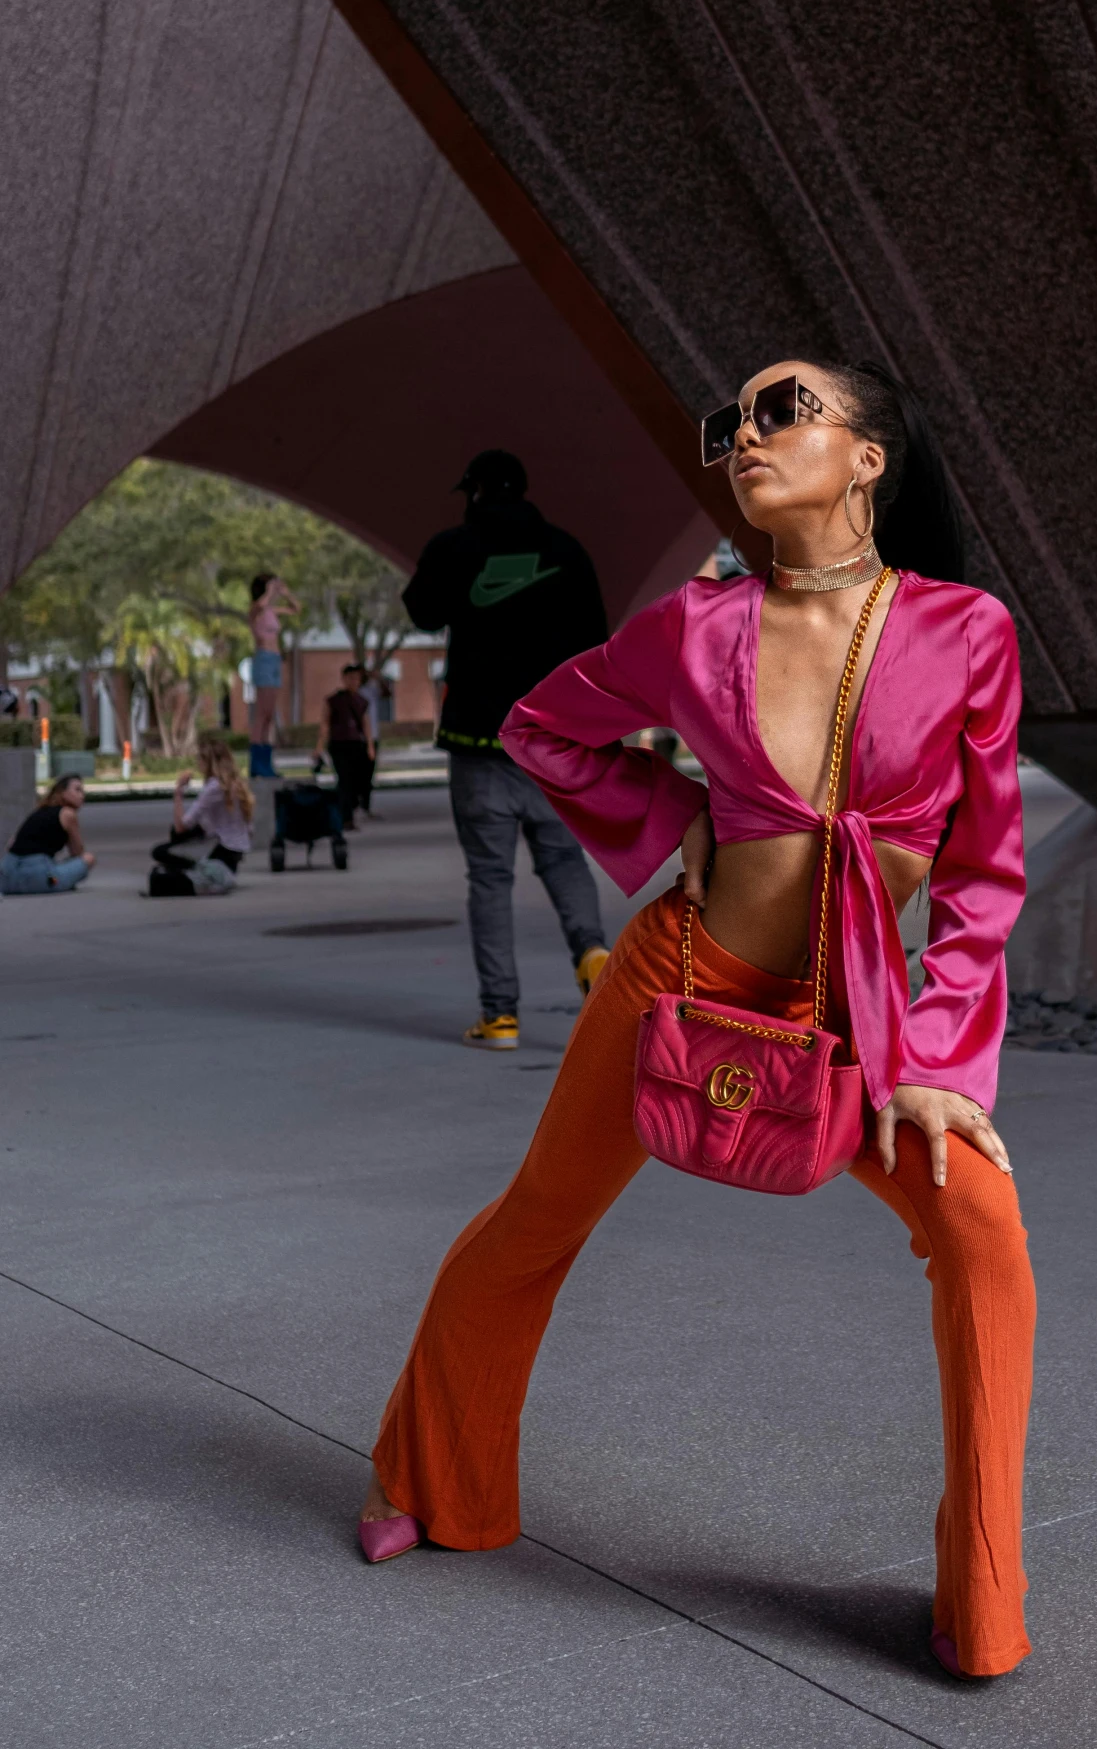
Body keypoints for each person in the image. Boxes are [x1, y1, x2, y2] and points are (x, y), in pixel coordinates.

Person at [360, 363, 1034, 1681]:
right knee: (534, 1220)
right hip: (680, 970)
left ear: (869, 459)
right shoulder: (695, 626)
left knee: (983, 1233)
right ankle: (433, 1480)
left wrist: (946, 1061)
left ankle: (980, 1600)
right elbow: (545, 725)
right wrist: (676, 824)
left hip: (857, 1005)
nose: (744, 439)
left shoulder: (966, 632)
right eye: (729, 426)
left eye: (785, 411)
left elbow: (984, 868)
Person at [403, 449, 612, 1049]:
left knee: (490, 879)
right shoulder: (567, 551)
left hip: (477, 740)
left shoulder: (456, 546)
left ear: (473, 493)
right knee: (564, 860)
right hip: (552, 741)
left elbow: (420, 611)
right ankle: (594, 956)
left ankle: (500, 1016)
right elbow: (596, 643)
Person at [152, 738, 254, 887]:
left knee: (160, 851)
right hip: (235, 851)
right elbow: (248, 827)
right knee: (189, 832)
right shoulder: (237, 783)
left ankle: (195, 868)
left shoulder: (214, 787)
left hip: (222, 849)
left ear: (208, 762)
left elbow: (182, 826)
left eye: (199, 759)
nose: (197, 763)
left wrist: (179, 792)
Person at [2, 774, 96, 893]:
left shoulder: (39, 812)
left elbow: (11, 844)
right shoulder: (68, 814)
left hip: (6, 879)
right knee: (88, 858)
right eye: (77, 790)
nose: (82, 795)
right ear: (62, 792)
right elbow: (77, 852)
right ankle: (59, 881)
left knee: (56, 868)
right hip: (42, 879)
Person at [247, 574, 301, 778]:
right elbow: (260, 605)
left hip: (275, 661)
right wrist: (270, 591)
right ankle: (256, 763)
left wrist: (286, 593)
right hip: (264, 660)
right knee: (262, 714)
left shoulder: (269, 610)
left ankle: (266, 762)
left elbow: (296, 609)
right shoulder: (256, 609)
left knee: (270, 715)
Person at [316, 663, 375, 831]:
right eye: (350, 678)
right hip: (339, 744)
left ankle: (350, 809)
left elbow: (365, 724)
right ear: (343, 679)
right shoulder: (334, 700)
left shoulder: (361, 701)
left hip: (356, 744)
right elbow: (325, 724)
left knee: (357, 781)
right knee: (344, 781)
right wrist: (319, 746)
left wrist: (370, 746)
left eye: (356, 678)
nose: (353, 681)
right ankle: (345, 818)